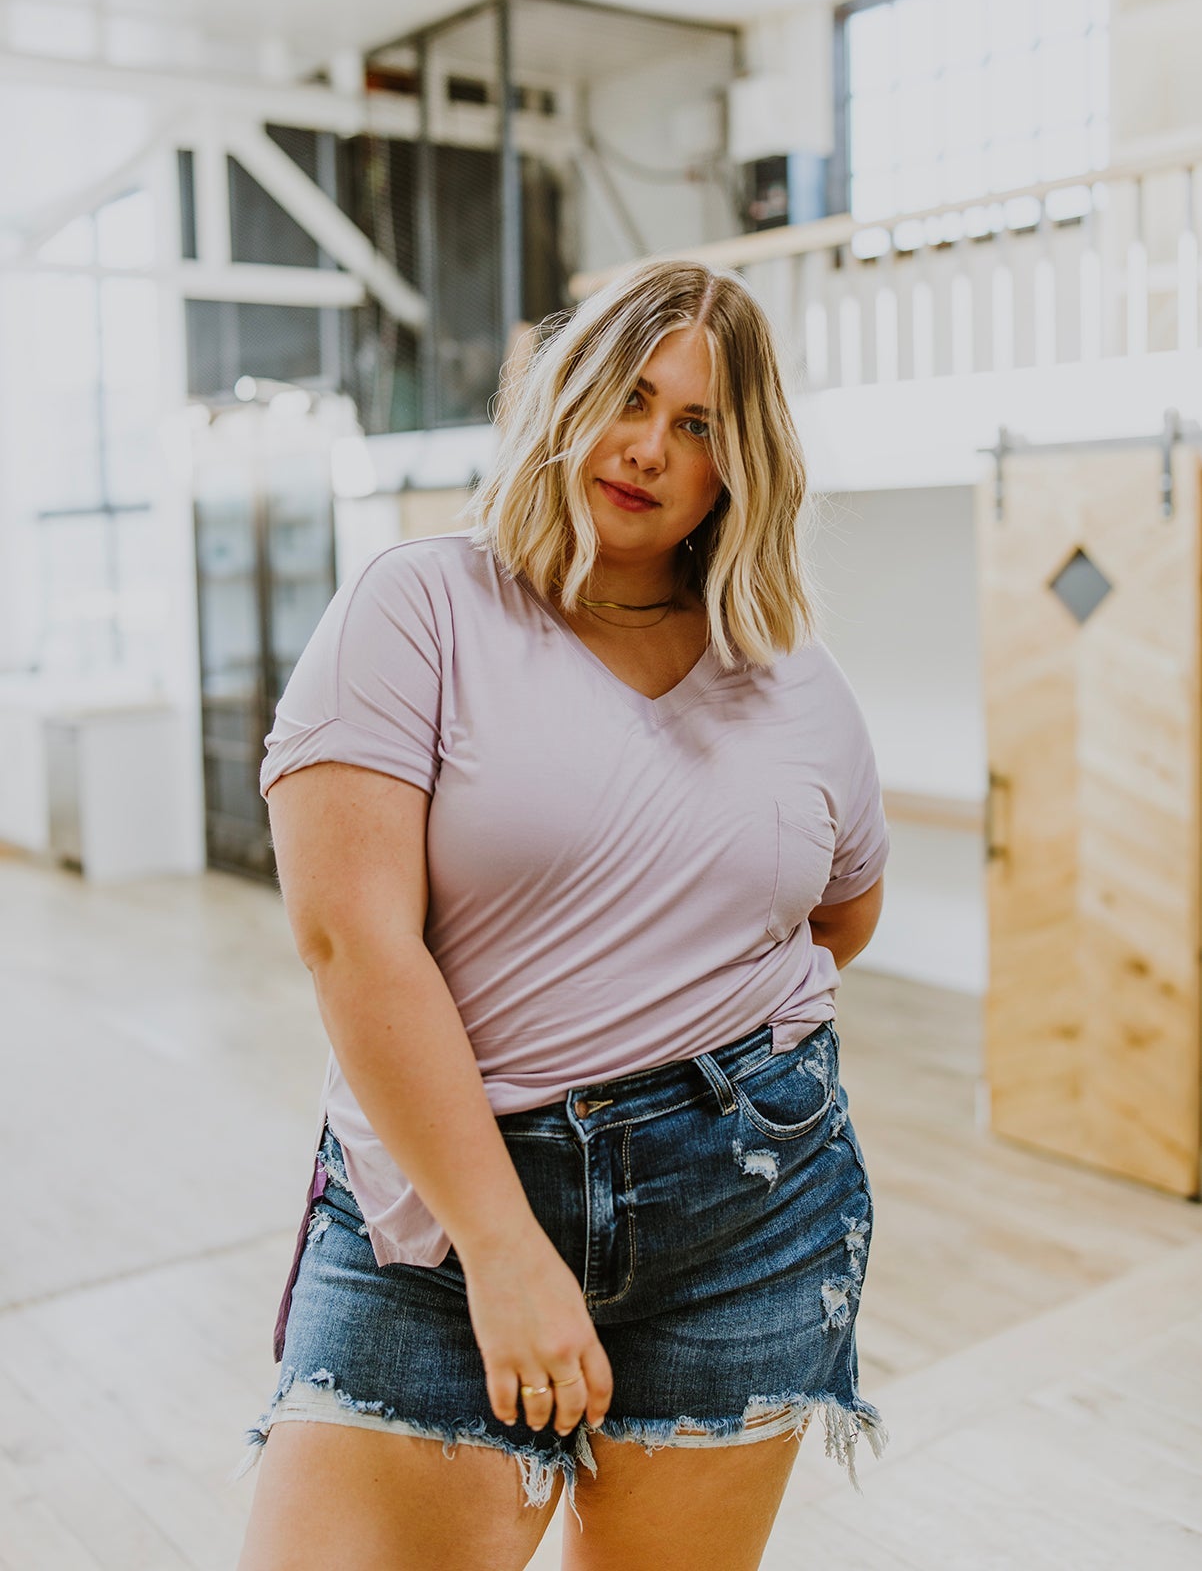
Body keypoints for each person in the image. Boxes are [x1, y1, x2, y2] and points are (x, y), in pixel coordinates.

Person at [236, 258, 890, 1571]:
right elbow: (353, 941)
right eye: (626, 397)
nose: (646, 447)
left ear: (740, 465)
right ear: (564, 401)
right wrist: (501, 1244)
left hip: (745, 1200)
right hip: (439, 1207)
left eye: (698, 425)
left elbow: (838, 916)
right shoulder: (419, 606)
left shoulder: (790, 676)